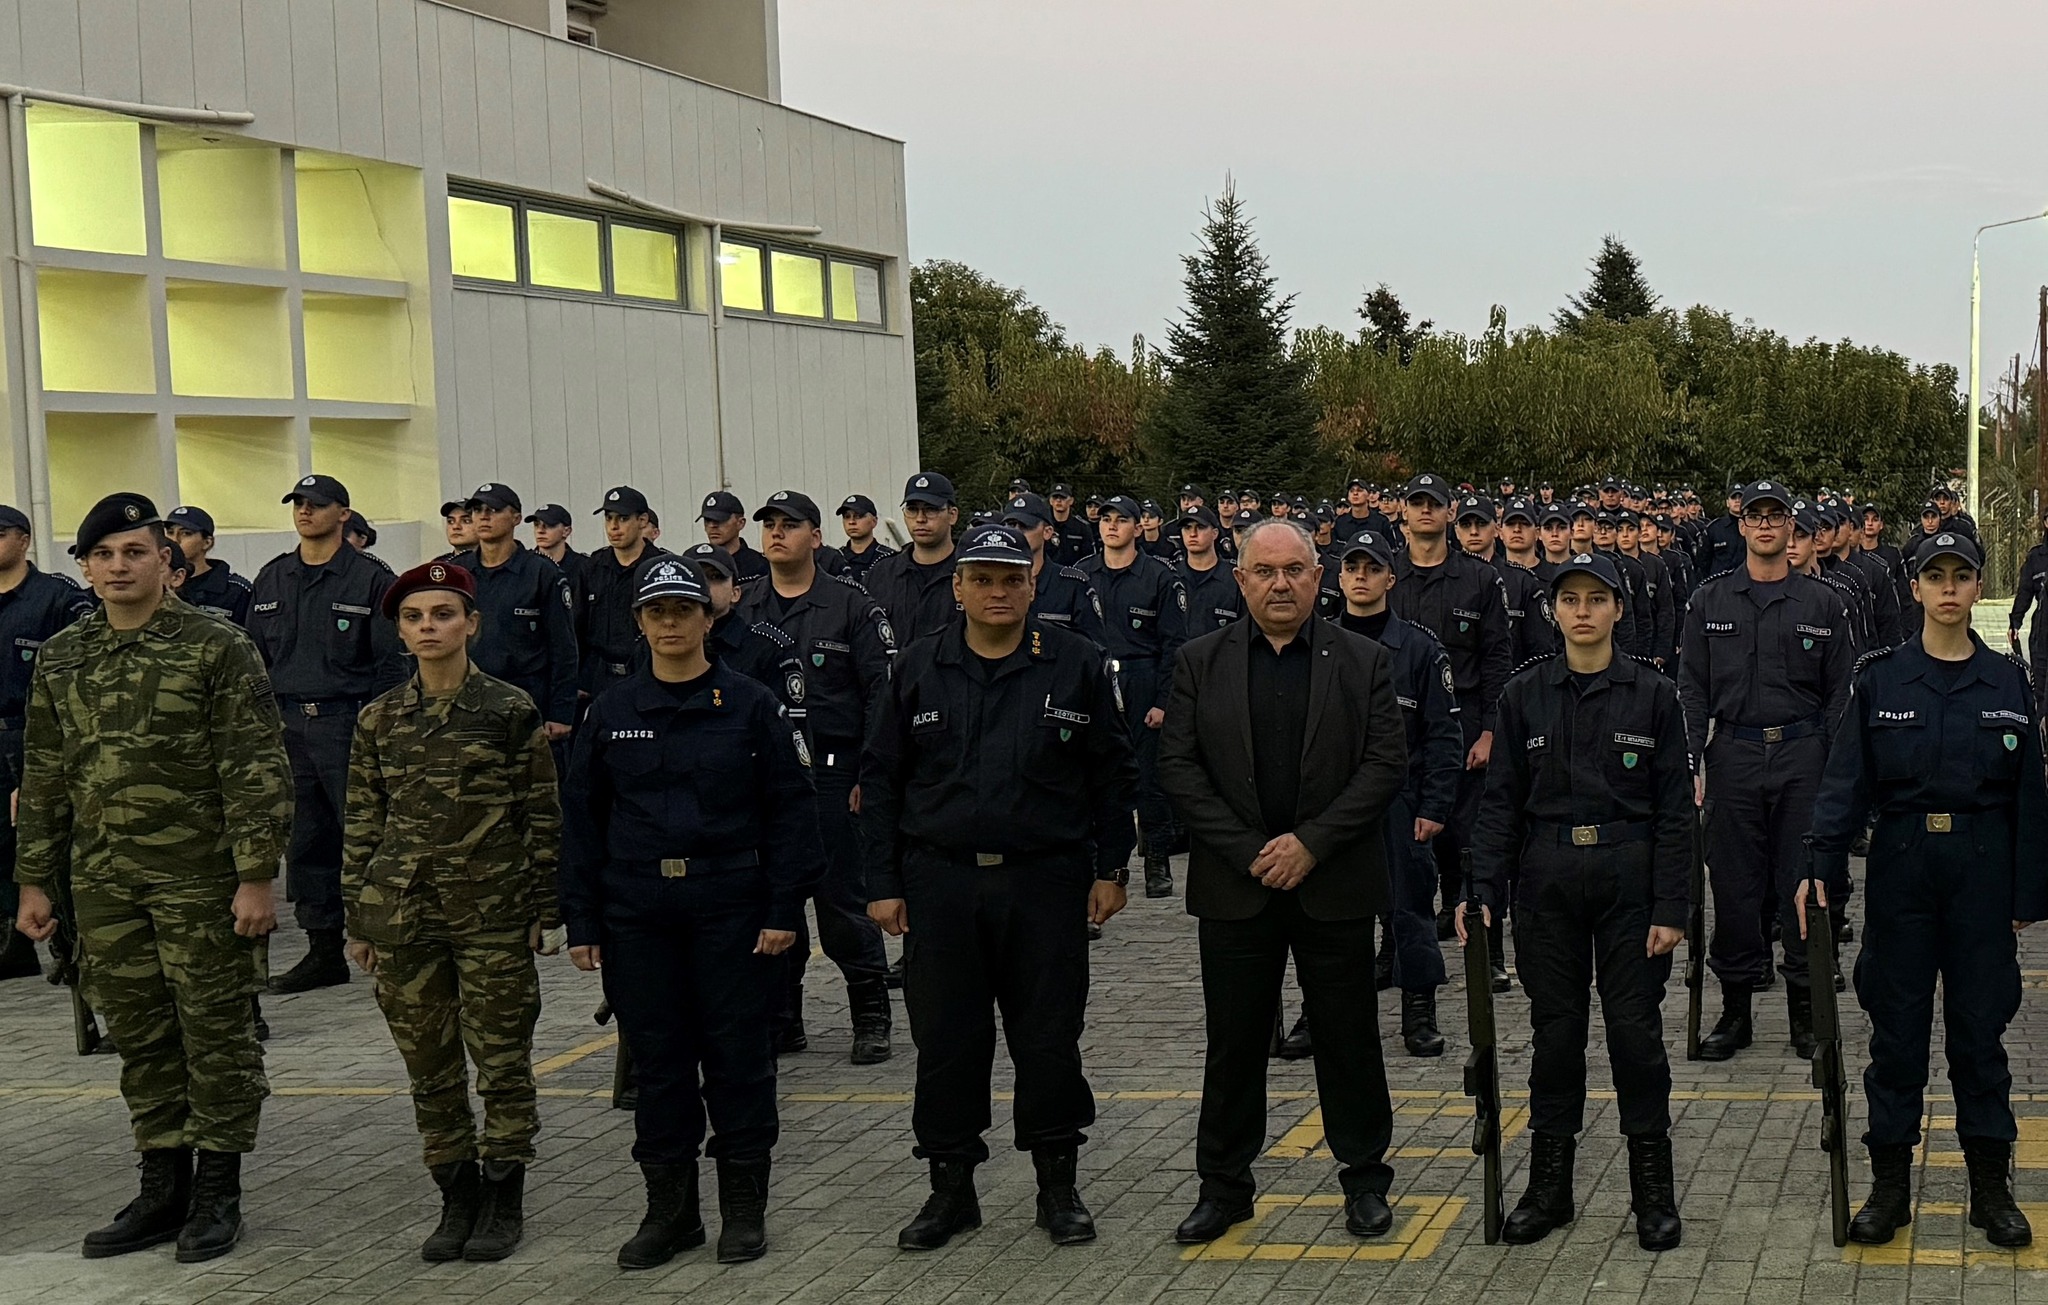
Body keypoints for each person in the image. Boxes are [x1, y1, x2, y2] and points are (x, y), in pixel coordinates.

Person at [13, 493, 291, 1263]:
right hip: (103, 880)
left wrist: (257, 876)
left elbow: (256, 767)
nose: (117, 567)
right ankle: (163, 1181)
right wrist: (33, 879)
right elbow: (44, 773)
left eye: (133, 552)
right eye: (102, 556)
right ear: (87, 568)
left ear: (165, 561)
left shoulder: (215, 645)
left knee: (216, 1031)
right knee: (140, 1033)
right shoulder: (66, 654)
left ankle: (218, 1191)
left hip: (201, 879)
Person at [862, 524, 1137, 1250]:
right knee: (947, 1041)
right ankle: (951, 1190)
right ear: (957, 587)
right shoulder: (920, 666)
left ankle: (1058, 1186)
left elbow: (1113, 773)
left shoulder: (1075, 663)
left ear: (1032, 584)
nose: (997, 591)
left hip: (1045, 883)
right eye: (981, 578)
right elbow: (883, 779)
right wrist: (883, 883)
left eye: (1011, 578)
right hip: (940, 884)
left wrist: (1113, 869)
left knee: (1048, 1039)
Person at [561, 557, 825, 1268]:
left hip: (731, 909)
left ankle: (743, 1211)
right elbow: (582, 819)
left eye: (684, 610)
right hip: (639, 915)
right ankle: (670, 1212)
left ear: (709, 618)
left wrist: (782, 909)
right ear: (639, 622)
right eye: (657, 613)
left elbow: (791, 812)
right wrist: (581, 919)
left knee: (739, 1063)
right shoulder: (612, 712)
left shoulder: (750, 704)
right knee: (660, 1064)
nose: (671, 623)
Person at [1157, 518, 1408, 1245]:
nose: (1280, 583)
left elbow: (1384, 764)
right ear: (1240, 581)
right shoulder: (1198, 661)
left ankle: (1364, 1179)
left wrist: (1312, 844)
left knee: (1348, 1037)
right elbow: (1179, 767)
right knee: (1234, 1042)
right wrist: (1249, 851)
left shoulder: (1362, 661)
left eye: (1295, 569)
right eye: (1265, 571)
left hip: (1332, 882)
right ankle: (1224, 1185)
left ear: (1317, 577)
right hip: (1238, 886)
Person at [1806, 531, 2048, 1249]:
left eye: (1961, 576)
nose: (1948, 588)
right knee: (1898, 1035)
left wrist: (2025, 898)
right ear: (1914, 588)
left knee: (1980, 1037)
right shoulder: (1881, 679)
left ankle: (1989, 1187)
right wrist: (1818, 865)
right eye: (1935, 576)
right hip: (1903, 867)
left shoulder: (2008, 681)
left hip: (1982, 868)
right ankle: (1888, 1187)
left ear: (1977, 588)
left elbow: (2031, 799)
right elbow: (1846, 782)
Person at [1462, 553, 1690, 1251]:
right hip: (1549, 877)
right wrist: (1480, 890)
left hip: (1628, 875)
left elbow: (1678, 811)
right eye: (1571, 599)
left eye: (1597, 598)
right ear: (1553, 611)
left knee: (1635, 1036)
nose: (1583, 611)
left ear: (1619, 608)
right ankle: (1549, 1187)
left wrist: (1673, 905)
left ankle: (1652, 1191)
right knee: (1555, 1037)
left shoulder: (1653, 694)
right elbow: (1499, 801)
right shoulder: (1522, 694)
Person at [341, 561, 564, 1263]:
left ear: (472, 622)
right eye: (414, 617)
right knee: (430, 1066)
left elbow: (540, 813)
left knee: (500, 1061)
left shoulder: (507, 709)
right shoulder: (379, 718)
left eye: (442, 614)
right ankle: (455, 1193)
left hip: (491, 910)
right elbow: (360, 822)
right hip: (403, 915)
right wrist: (359, 919)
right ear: (401, 631)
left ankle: (503, 1196)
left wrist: (544, 905)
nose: (428, 627)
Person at [1678, 480, 1853, 1060]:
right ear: (1743, 525)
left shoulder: (1823, 603)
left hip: (1803, 754)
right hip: (1732, 754)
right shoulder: (1710, 600)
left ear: (1791, 528)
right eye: (1756, 516)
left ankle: (1806, 1013)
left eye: (1777, 516)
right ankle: (1735, 1012)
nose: (1766, 526)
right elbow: (1693, 689)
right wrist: (1692, 758)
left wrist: (1832, 772)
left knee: (1803, 884)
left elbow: (1838, 694)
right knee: (1732, 886)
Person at [1280, 531, 1461, 1061]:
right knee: (1326, 915)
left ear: (1390, 578)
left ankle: (1418, 1008)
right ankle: (1320, 1010)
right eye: (1352, 567)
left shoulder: (1422, 650)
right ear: (1337, 577)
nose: (1360, 576)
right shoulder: (1312, 646)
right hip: (1331, 806)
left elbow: (1443, 735)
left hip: (1400, 801)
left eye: (1372, 568)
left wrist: (1434, 807)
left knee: (1409, 908)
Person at [737, 490, 896, 1063]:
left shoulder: (850, 605)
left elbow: (882, 692)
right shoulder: (745, 607)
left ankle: (871, 1013)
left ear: (816, 536)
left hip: (833, 770)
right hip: (764, 776)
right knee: (773, 896)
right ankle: (784, 1018)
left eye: (790, 525)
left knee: (842, 900)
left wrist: (867, 771)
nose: (777, 533)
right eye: (769, 524)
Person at [248, 474, 405, 993]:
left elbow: (391, 665)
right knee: (307, 840)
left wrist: (376, 728)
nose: (304, 512)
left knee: (366, 836)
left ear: (344, 513)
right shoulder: (273, 578)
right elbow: (254, 660)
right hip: (290, 726)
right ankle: (322, 949)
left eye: (316, 504)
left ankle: (389, 936)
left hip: (349, 723)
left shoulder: (370, 580)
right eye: (297, 503)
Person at [1390, 475, 1512, 965]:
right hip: (1399, 728)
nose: (1424, 512)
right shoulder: (1387, 575)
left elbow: (1496, 658)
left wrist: (1490, 731)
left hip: (1464, 724)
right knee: (1405, 840)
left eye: (1433, 505)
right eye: (1416, 503)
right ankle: (1398, 943)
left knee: (1472, 838)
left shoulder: (1480, 579)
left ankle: (1490, 949)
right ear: (1404, 513)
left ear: (1449, 513)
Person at [0, 506, 97, 980]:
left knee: (47, 846)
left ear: (24, 539)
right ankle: (12, 944)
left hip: (33, 734)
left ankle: (69, 948)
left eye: (0, 534)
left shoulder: (57, 597)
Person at [1079, 495, 1189, 898]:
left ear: (1137, 528)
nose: (1111, 526)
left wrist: (1163, 701)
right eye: (1106, 519)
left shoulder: (1159, 577)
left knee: (1148, 777)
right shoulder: (1082, 574)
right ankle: (1099, 864)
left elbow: (1173, 645)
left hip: (1142, 678)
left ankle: (1157, 859)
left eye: (1121, 520)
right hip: (1095, 678)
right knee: (1094, 776)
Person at [450, 483, 579, 746]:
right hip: (464, 700)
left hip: (525, 702)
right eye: (477, 510)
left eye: (493, 510)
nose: (483, 517)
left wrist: (561, 712)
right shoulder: (457, 572)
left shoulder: (541, 573)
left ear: (516, 518)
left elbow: (563, 648)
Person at [580, 486, 669, 699]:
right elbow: (578, 626)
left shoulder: (661, 568)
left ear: (643, 520)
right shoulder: (593, 567)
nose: (614, 526)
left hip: (649, 675)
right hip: (599, 679)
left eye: (623, 518)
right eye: (609, 518)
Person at [864, 473, 962, 650]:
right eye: (912, 509)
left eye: (931, 509)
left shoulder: (972, 574)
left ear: (952, 515)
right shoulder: (880, 575)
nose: (920, 519)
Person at [999, 492, 1106, 645]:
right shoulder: (991, 586)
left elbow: (1095, 648)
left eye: (1025, 526)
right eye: (1010, 525)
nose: (1016, 533)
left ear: (1047, 532)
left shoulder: (1072, 586)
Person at [165, 506, 252, 626]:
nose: (175, 540)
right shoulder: (158, 583)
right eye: (170, 532)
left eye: (186, 533)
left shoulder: (235, 590)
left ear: (207, 542)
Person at [1173, 506, 1244, 634]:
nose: (1193, 534)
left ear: (1215, 533)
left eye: (1200, 527)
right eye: (1187, 528)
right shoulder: (1170, 576)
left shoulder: (1234, 578)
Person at [2010, 512, 2048, 716]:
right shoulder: (2036, 557)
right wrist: (2015, 622)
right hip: (2042, 632)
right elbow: (2024, 591)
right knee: (2040, 690)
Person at [698, 490, 768, 588]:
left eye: (720, 520)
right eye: (707, 520)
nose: (712, 525)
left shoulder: (760, 566)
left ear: (740, 523)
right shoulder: (696, 564)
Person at [834, 494, 897, 584]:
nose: (851, 522)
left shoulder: (889, 559)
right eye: (846, 516)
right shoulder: (836, 559)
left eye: (858, 516)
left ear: (874, 521)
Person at [1047, 484, 1095, 567]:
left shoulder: (1082, 528)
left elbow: (1089, 559)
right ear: (1050, 501)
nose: (1058, 500)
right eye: (1055, 497)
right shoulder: (1043, 526)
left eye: (1063, 497)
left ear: (1071, 501)